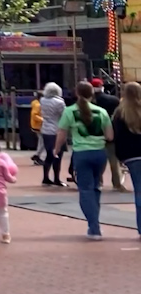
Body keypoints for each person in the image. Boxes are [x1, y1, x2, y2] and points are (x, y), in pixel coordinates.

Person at [56, 81, 115, 240]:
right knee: (96, 188)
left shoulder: (70, 111)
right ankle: (95, 221)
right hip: (99, 153)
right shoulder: (101, 112)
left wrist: (56, 149)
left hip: (81, 153)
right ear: (92, 94)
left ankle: (94, 226)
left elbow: (62, 132)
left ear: (76, 93)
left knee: (85, 190)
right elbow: (110, 136)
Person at [112, 81, 141, 236]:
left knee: (138, 189)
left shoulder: (120, 112)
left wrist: (120, 155)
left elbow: (116, 135)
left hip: (131, 155)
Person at [92, 78, 126, 192]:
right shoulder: (113, 100)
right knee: (114, 160)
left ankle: (98, 182)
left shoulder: (90, 102)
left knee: (98, 161)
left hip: (95, 134)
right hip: (111, 132)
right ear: (102, 86)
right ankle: (117, 183)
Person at [38, 83, 67, 186]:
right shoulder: (60, 102)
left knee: (49, 155)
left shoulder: (42, 100)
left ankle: (45, 177)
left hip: (46, 129)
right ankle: (57, 179)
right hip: (57, 130)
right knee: (58, 155)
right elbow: (64, 115)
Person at [30, 95, 45, 166]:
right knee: (43, 141)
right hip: (38, 126)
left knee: (41, 141)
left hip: (37, 125)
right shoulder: (38, 105)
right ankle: (37, 155)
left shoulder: (36, 104)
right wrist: (42, 120)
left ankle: (37, 155)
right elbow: (34, 115)